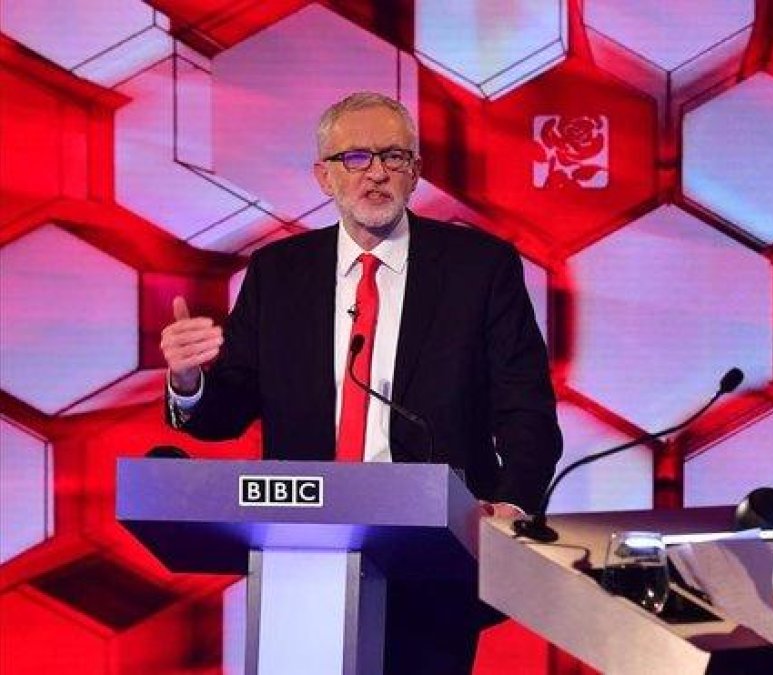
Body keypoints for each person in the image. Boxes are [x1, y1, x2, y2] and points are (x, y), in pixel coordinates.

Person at [159, 91, 562, 674]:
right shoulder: (279, 273)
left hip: (432, 554)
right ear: (323, 177)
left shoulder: (480, 267)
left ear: (416, 174)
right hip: (301, 551)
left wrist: (512, 504)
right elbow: (227, 414)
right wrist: (190, 379)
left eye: (395, 157)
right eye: (355, 158)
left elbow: (526, 410)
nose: (376, 172)